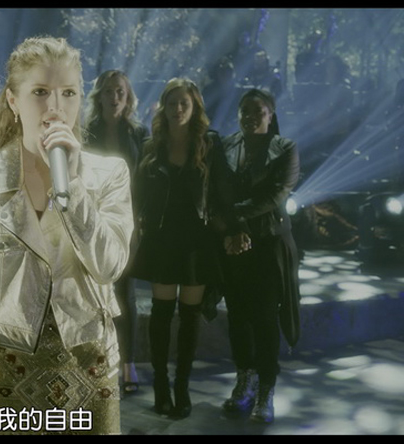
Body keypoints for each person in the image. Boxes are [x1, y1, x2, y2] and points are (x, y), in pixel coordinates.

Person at [0, 36, 134, 434]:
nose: (55, 107)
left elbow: (109, 266)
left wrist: (73, 189)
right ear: (13, 100)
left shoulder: (109, 176)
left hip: (89, 372)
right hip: (6, 376)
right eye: (41, 92)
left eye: (68, 93)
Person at [132, 77, 239, 419]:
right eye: (172, 102)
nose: (178, 109)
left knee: (190, 317)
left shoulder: (209, 143)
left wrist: (234, 228)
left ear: (194, 108)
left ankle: (182, 386)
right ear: (163, 106)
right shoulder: (151, 146)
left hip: (197, 241)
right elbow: (137, 195)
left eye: (185, 103)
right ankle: (161, 385)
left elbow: (223, 190)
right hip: (162, 239)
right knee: (162, 315)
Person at [219, 88, 301, 424]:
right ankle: (245, 378)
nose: (251, 116)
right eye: (245, 110)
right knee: (238, 316)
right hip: (233, 242)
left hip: (268, 243)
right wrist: (233, 228)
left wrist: (235, 214)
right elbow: (218, 188)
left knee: (265, 316)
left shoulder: (286, 148)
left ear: (271, 114)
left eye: (259, 110)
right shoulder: (225, 145)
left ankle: (266, 387)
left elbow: (276, 193)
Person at [83, 69, 148, 397]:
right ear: (99, 96)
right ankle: (96, 363)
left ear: (128, 97)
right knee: (93, 294)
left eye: (120, 91)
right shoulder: (85, 132)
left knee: (125, 294)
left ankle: (128, 364)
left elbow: (146, 179)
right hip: (91, 221)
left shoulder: (138, 134)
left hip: (126, 223)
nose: (114, 97)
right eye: (108, 91)